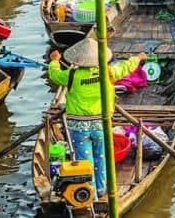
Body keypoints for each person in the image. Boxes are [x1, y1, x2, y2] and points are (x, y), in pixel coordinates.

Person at [47, 38, 146, 199]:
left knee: (85, 161)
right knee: (101, 157)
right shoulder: (108, 72)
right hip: (101, 124)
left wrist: (54, 61)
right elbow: (126, 67)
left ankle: (90, 195)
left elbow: (55, 75)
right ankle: (100, 189)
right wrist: (138, 58)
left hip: (78, 128)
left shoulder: (72, 75)